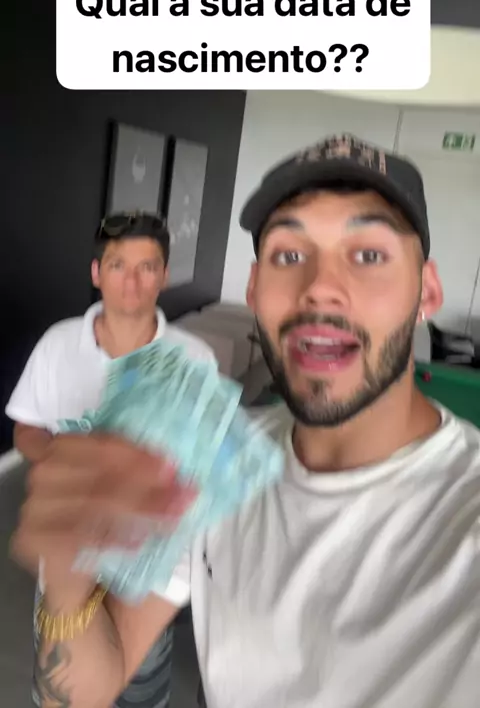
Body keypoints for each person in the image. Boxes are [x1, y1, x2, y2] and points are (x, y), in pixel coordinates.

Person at [12, 135, 480, 708]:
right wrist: (66, 575)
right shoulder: (216, 460)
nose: (321, 288)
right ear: (255, 288)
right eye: (289, 255)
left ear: (427, 291)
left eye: (368, 255)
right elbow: (86, 688)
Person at [7, 210, 216, 708]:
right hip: (70, 553)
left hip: (150, 566)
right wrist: (70, 459)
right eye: (119, 265)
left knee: (139, 690)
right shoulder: (59, 343)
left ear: (164, 275)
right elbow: (26, 428)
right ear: (97, 273)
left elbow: (206, 458)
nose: (133, 281)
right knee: (63, 689)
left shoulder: (194, 358)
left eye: (147, 267)